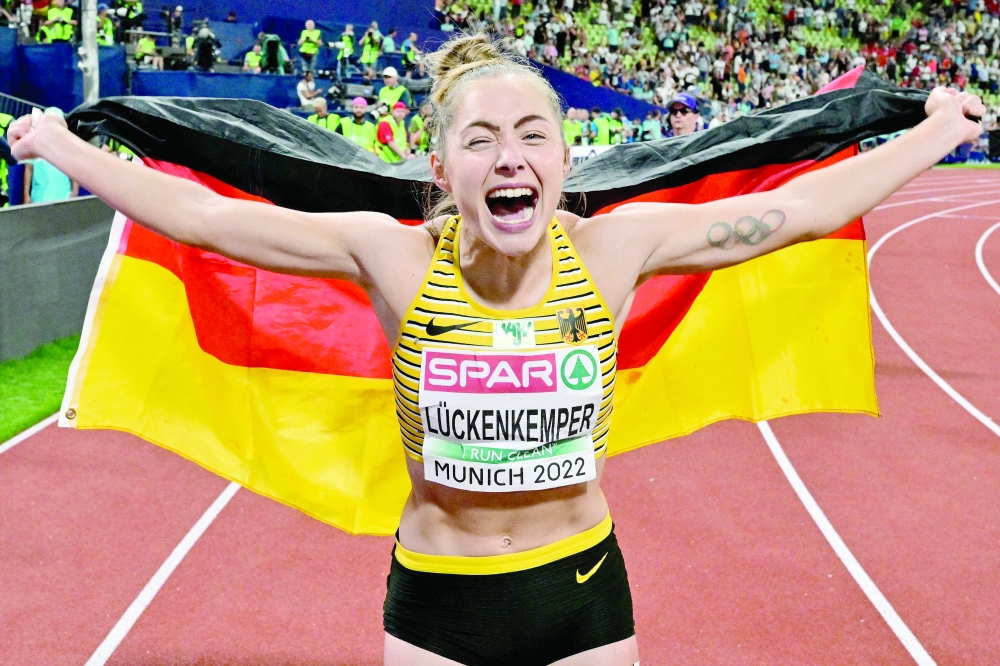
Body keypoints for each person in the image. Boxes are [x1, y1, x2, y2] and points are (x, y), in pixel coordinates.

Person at [6, 32, 985, 665]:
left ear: (566, 160)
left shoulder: (614, 249)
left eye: (531, 135)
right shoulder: (390, 257)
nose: (508, 156)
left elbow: (795, 211)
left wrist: (934, 133)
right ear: (439, 169)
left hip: (582, 589)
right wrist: (62, 146)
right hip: (438, 599)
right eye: (480, 141)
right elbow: (202, 218)